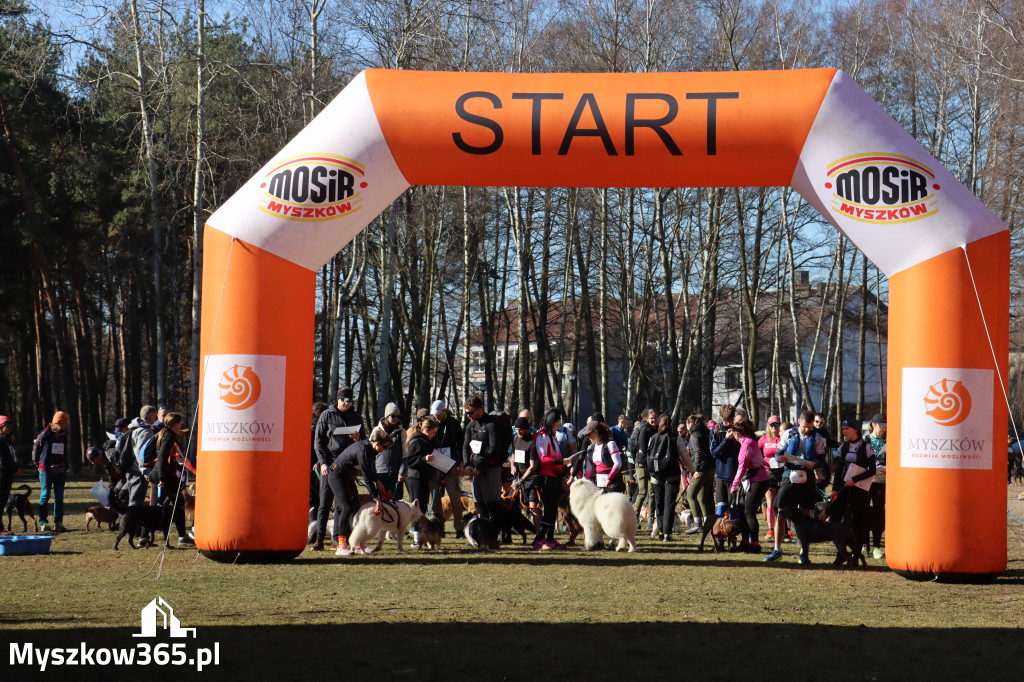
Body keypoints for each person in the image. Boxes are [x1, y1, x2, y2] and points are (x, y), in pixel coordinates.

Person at [764, 410, 826, 564]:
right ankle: (777, 549)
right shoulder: (789, 434)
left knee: (805, 514)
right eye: (805, 426)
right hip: (789, 476)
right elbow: (778, 453)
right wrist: (782, 457)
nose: (807, 429)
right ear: (799, 421)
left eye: (810, 427)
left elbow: (821, 459)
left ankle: (803, 553)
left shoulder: (817, 437)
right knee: (781, 511)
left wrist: (815, 464)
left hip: (807, 478)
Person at [312, 387, 364, 550]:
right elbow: (318, 442)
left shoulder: (355, 416)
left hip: (347, 464)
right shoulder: (327, 415)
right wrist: (323, 462)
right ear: (338, 400)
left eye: (350, 401)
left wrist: (358, 438)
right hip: (330, 461)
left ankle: (338, 539)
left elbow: (361, 441)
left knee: (345, 502)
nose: (347, 404)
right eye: (344, 401)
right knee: (325, 501)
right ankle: (319, 538)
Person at [329, 427, 389, 555]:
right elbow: (366, 476)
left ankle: (356, 543)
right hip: (336, 475)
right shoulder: (363, 450)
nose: (385, 450)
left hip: (348, 476)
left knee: (355, 507)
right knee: (345, 507)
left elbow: (370, 471)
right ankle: (341, 545)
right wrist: (377, 499)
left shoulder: (371, 450)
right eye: (384, 447)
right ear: (377, 443)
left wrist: (378, 481)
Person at [829, 418, 876, 557]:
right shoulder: (843, 447)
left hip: (859, 489)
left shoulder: (866, 447)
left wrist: (854, 479)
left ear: (856, 430)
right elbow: (838, 471)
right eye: (843, 429)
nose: (844, 431)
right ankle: (842, 551)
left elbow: (872, 470)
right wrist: (835, 490)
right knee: (836, 517)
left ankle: (858, 551)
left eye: (847, 428)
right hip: (844, 488)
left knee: (857, 520)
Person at [532, 408, 573, 549]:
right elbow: (543, 458)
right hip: (546, 477)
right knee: (549, 509)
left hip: (555, 476)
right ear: (550, 423)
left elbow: (556, 456)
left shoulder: (552, 436)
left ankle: (549, 539)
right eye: (556, 425)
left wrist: (564, 468)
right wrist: (561, 462)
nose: (558, 428)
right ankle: (539, 539)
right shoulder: (542, 437)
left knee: (553, 509)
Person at [154, 412, 194, 546]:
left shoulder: (164, 434)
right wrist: (161, 478)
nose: (181, 425)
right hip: (166, 475)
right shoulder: (169, 438)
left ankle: (144, 536)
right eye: (180, 423)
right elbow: (162, 459)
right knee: (179, 504)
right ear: (176, 424)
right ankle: (182, 537)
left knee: (165, 506)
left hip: (165, 474)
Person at [429, 399, 466, 538]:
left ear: (444, 411)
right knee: (436, 498)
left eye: (438, 413)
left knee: (455, 497)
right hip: (435, 465)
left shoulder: (453, 423)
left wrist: (461, 462)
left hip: (451, 465)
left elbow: (461, 443)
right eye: (434, 414)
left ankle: (459, 529)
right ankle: (439, 528)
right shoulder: (431, 424)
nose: (436, 416)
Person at [730, 419, 768, 553]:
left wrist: (734, 485)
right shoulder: (748, 441)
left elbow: (742, 467)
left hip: (758, 480)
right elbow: (759, 459)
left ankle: (755, 544)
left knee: (749, 512)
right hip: (751, 479)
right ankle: (745, 541)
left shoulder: (746, 444)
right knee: (741, 509)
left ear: (736, 433)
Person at [463, 395, 502, 521]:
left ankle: (496, 533)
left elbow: (493, 448)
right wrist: (467, 465)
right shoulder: (471, 426)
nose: (469, 415)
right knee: (479, 502)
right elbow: (465, 447)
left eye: (471, 412)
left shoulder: (491, 424)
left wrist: (479, 466)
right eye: (467, 413)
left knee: (491, 502)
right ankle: (484, 533)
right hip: (475, 469)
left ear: (480, 409)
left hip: (490, 467)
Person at [404, 414, 440, 547]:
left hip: (424, 477)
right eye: (433, 432)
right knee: (416, 508)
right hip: (415, 478)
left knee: (423, 507)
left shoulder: (425, 440)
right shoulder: (416, 441)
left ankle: (422, 537)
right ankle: (416, 538)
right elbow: (410, 461)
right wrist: (424, 459)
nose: (434, 435)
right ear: (426, 430)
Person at [646, 416, 684, 542]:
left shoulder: (653, 438)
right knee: (669, 504)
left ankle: (661, 531)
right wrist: (693, 470)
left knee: (659, 503)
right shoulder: (676, 438)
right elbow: (685, 456)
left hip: (656, 475)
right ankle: (667, 534)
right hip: (672, 475)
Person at [33, 411, 71, 532]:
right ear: (60, 422)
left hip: (60, 470)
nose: (66, 425)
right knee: (45, 495)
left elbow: (65, 452)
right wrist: (37, 464)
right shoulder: (45, 434)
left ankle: (58, 522)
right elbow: (36, 450)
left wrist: (66, 465)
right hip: (46, 470)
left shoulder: (64, 435)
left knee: (59, 497)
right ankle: (43, 522)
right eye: (65, 423)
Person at [124, 405, 160, 507]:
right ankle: (131, 522)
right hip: (138, 471)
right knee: (136, 501)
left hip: (133, 468)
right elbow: (141, 452)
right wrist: (146, 471)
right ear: (151, 416)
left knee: (134, 498)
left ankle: (131, 521)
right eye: (155, 416)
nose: (156, 418)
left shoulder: (135, 427)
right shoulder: (145, 432)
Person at [684, 414, 714, 534]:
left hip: (701, 468)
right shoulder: (706, 433)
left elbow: (698, 453)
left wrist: (695, 469)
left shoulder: (694, 435)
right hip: (711, 467)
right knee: (702, 498)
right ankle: (707, 523)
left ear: (690, 424)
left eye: (687, 424)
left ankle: (697, 524)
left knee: (691, 495)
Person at [510, 416, 540, 531]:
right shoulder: (515, 439)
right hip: (519, 478)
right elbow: (513, 455)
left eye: (521, 429)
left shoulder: (532, 443)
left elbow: (533, 466)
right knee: (509, 503)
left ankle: (538, 534)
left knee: (533, 506)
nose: (519, 431)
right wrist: (513, 466)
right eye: (517, 429)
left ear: (527, 429)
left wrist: (521, 480)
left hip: (532, 478)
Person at [579, 419, 625, 494]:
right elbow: (589, 468)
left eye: (589, 434)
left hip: (613, 485)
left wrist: (610, 478)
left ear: (596, 432)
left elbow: (618, 463)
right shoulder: (591, 448)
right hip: (599, 484)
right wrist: (584, 481)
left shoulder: (610, 444)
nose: (587, 437)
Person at [711, 405, 741, 515]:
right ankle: (719, 531)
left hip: (735, 475)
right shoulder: (716, 430)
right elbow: (714, 453)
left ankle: (733, 530)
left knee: (734, 507)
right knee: (721, 507)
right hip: (720, 474)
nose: (728, 423)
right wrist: (726, 440)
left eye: (730, 420)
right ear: (721, 417)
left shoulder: (738, 430)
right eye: (726, 420)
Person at [759, 415, 784, 542]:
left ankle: (784, 529)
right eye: (772, 425)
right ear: (768, 426)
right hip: (768, 473)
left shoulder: (783, 438)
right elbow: (756, 452)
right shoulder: (763, 439)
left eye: (776, 424)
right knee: (770, 502)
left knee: (781, 503)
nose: (774, 427)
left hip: (782, 472)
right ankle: (770, 530)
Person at [632, 408, 658, 527]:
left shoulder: (656, 429)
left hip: (653, 464)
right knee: (643, 492)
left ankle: (651, 520)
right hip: (642, 463)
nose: (654, 420)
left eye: (655, 418)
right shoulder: (644, 430)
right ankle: (635, 518)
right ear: (646, 419)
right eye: (651, 418)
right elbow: (643, 449)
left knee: (652, 493)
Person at [375, 403, 406, 501]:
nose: (396, 418)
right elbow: (371, 451)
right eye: (393, 416)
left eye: (397, 416)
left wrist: (401, 473)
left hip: (396, 474)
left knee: (397, 502)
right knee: (382, 501)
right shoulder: (377, 430)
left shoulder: (401, 432)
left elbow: (405, 454)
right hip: (381, 472)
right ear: (387, 416)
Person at [867, 413, 887, 560]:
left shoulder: (888, 441)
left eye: (886, 426)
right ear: (873, 424)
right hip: (865, 482)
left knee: (879, 513)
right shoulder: (865, 440)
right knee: (863, 512)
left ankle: (876, 547)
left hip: (881, 482)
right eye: (881, 425)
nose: (884, 428)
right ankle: (863, 545)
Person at [0, 415, 20, 515]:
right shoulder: (1, 441)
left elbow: (11, 457)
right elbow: (3, 460)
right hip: (2, 473)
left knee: (3, 499)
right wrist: (14, 468)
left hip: (7, 473)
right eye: (7, 426)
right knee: (1, 499)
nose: (9, 428)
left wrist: (15, 467)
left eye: (10, 426)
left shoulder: (8, 440)